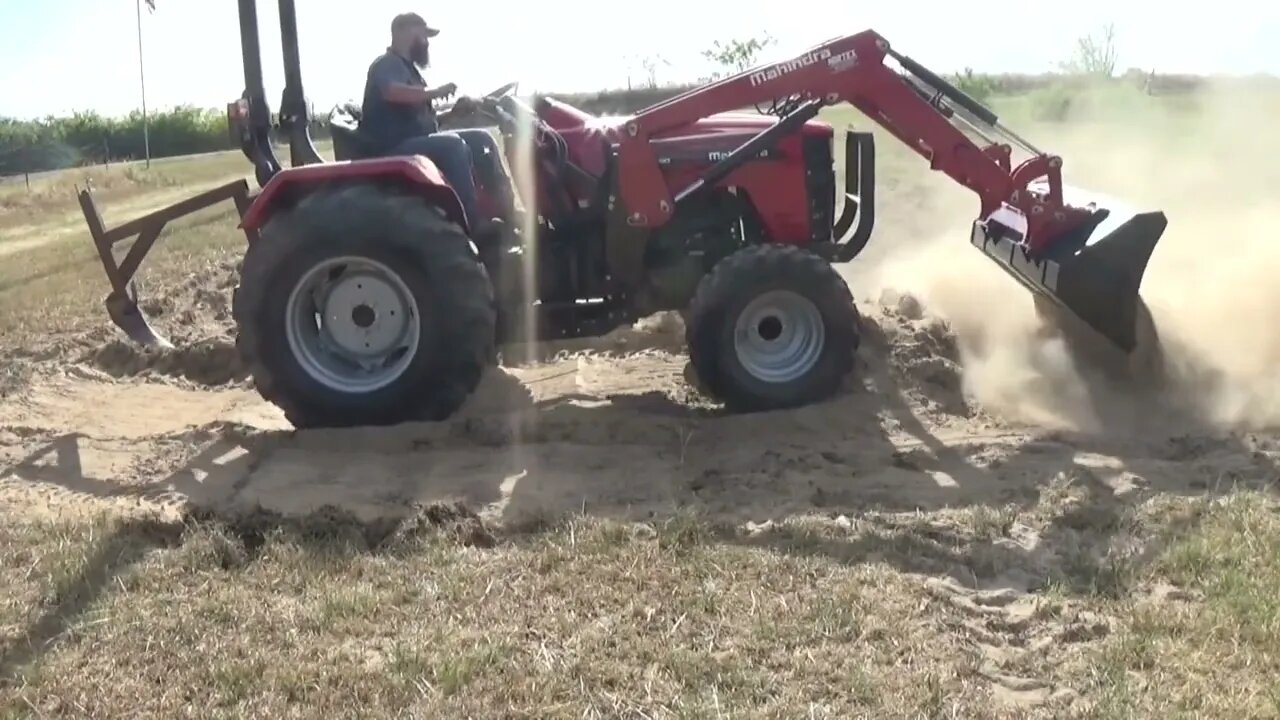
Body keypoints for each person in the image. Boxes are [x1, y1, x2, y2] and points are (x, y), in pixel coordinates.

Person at [360, 12, 515, 230]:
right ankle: (471, 223)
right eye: (422, 34)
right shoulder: (387, 64)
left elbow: (424, 122)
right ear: (403, 32)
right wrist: (436, 92)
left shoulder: (409, 70)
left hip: (412, 140)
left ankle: (506, 211)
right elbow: (392, 92)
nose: (426, 42)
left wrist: (454, 114)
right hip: (391, 146)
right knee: (452, 146)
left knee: (481, 139)